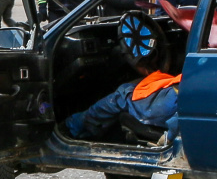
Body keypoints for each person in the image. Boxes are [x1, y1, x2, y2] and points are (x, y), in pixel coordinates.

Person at [63, 14, 181, 145]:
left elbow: (189, 109)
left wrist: (170, 135)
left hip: (175, 101)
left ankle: (70, 128)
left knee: (122, 95)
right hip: (179, 88)